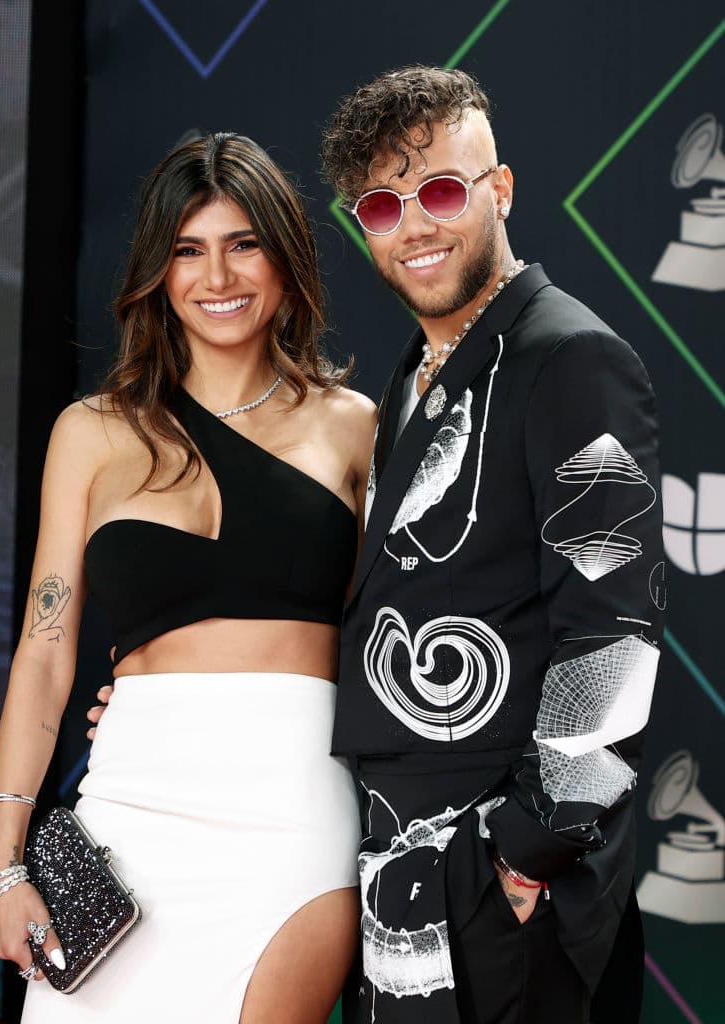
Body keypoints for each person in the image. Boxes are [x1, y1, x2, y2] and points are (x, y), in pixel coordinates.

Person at [0, 131, 376, 1023]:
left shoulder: (355, 427)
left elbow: (392, 637)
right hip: (127, 813)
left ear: (284, 257)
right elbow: (44, 656)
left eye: (243, 244)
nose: (217, 276)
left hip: (291, 815)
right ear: (158, 271)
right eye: (188, 250)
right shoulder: (91, 432)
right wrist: (3, 863)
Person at [317, 66, 663, 1023]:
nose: (413, 226)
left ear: (498, 190)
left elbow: (614, 636)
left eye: (439, 191)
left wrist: (523, 854)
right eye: (381, 206)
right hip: (403, 871)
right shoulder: (413, 376)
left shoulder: (571, 357)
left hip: (502, 887)